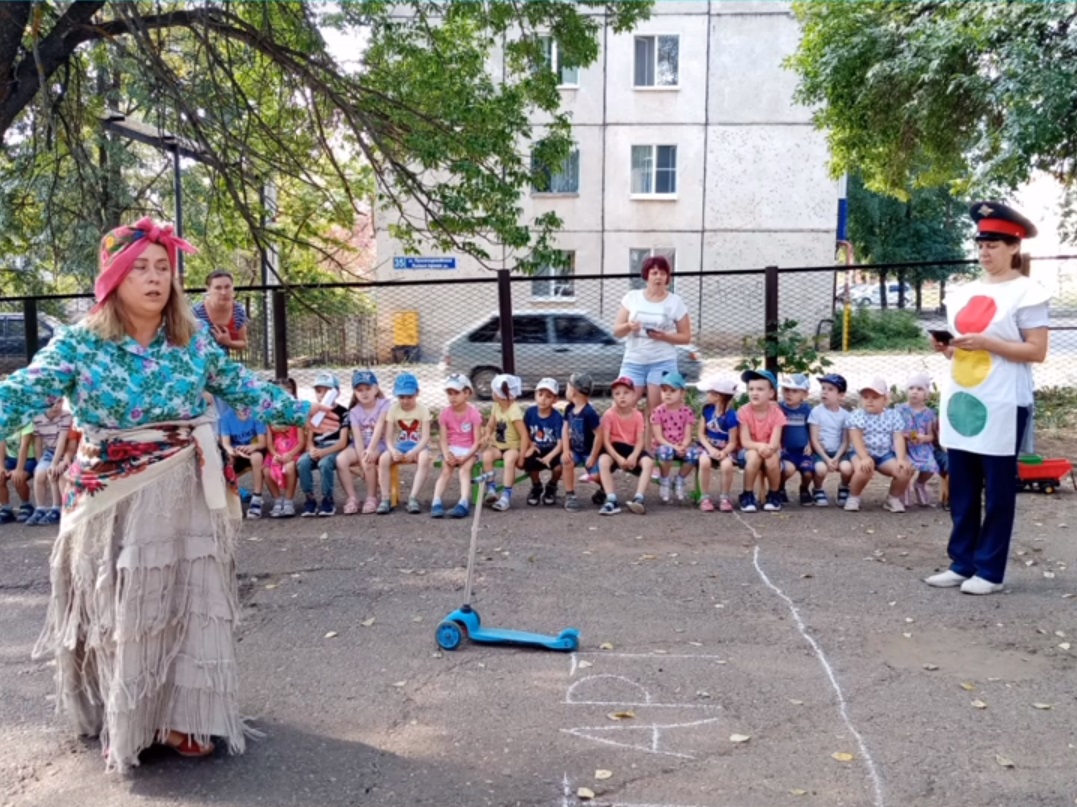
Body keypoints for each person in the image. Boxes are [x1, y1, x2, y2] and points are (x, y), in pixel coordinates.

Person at [0, 217, 336, 771]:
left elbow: (239, 384)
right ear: (114, 277)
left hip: (181, 486)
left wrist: (301, 411)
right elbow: (20, 392)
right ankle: (129, 716)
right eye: (141, 268)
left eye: (163, 268)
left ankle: (184, 717)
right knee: (124, 606)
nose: (155, 278)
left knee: (185, 602)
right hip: (110, 495)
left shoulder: (191, 339)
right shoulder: (80, 343)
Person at [925, 201, 1050, 595]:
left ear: (1014, 247)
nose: (984, 251)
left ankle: (990, 571)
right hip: (963, 398)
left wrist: (989, 343)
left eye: (993, 244)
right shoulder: (963, 293)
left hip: (1003, 402)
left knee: (997, 489)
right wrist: (948, 349)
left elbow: (1037, 351)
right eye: (980, 244)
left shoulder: (1028, 292)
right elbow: (966, 348)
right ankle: (962, 562)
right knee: (962, 485)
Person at [611, 256, 692, 422]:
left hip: (662, 361)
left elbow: (686, 337)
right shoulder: (632, 297)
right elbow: (617, 331)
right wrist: (629, 326)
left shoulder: (675, 302)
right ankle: (626, 438)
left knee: (656, 412)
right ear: (646, 275)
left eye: (663, 273)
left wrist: (664, 336)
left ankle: (652, 439)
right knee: (622, 407)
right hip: (633, 362)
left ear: (667, 277)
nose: (658, 277)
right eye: (654, 273)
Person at [845, 377, 914, 513]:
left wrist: (901, 458)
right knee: (864, 469)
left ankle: (892, 498)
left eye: (875, 397)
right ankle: (853, 497)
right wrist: (864, 457)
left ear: (885, 399)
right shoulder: (858, 415)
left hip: (884, 454)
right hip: (861, 452)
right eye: (865, 397)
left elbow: (898, 437)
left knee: (904, 470)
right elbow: (856, 438)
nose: (869, 400)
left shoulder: (893, 415)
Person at [374, 372, 433, 514]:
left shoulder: (422, 410)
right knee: (383, 459)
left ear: (417, 393)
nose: (405, 401)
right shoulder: (393, 410)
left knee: (424, 458)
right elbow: (388, 437)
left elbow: (425, 437)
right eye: (401, 397)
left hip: (418, 446)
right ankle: (385, 498)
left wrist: (415, 451)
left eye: (409, 397)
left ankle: (413, 497)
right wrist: (393, 450)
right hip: (400, 446)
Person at [596, 376, 654, 515]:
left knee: (648, 462)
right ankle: (611, 500)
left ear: (634, 395)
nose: (622, 396)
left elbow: (640, 440)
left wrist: (634, 455)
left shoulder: (638, 415)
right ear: (613, 397)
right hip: (615, 448)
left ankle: (639, 499)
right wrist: (617, 458)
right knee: (603, 460)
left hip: (632, 449)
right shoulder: (609, 415)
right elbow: (606, 441)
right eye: (617, 393)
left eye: (626, 393)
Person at [297, 371, 350, 518]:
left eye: (327, 390)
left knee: (325, 463)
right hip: (318, 448)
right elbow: (309, 441)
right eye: (319, 391)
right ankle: (310, 499)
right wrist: (312, 450)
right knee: (302, 462)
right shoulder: (314, 412)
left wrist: (324, 453)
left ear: (336, 393)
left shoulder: (343, 413)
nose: (322, 394)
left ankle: (328, 499)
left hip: (334, 448)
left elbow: (343, 443)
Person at [337, 370, 390, 515]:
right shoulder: (354, 411)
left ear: (376, 389)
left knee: (368, 459)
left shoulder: (384, 404)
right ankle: (352, 498)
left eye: (368, 388)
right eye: (359, 390)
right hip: (360, 445)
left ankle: (372, 497)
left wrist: (371, 450)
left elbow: (380, 426)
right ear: (355, 392)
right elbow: (358, 438)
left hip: (379, 444)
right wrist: (361, 459)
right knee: (341, 460)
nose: (364, 393)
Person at [432, 373, 483, 519]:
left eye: (456, 393)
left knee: (464, 471)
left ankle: (463, 503)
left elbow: (477, 442)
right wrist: (447, 454)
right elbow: (443, 440)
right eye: (449, 393)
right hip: (452, 449)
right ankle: (436, 502)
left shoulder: (473, 413)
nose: (452, 397)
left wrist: (465, 457)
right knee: (446, 471)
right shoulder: (445, 413)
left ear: (466, 393)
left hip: (469, 450)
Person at [737, 369, 786, 513]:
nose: (754, 393)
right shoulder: (743, 411)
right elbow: (745, 442)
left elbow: (775, 444)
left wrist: (767, 448)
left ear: (771, 393)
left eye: (760, 389)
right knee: (754, 456)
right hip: (748, 451)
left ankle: (774, 495)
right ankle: (747, 494)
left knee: (771, 458)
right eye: (751, 389)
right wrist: (759, 446)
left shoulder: (777, 413)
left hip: (771, 449)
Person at [481, 374, 529, 511]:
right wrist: (487, 434)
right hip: (498, 446)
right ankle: (491, 489)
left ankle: (506, 496)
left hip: (512, 447)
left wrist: (521, 456)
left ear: (498, 394)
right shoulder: (496, 406)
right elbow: (490, 425)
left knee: (509, 460)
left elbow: (524, 435)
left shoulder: (514, 411)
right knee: (487, 456)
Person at [650, 371, 700, 503]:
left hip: (680, 446)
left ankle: (680, 479)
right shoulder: (658, 411)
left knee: (694, 453)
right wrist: (673, 446)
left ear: (682, 393)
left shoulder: (687, 411)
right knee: (666, 452)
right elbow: (658, 437)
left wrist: (683, 446)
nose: (667, 394)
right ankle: (665, 480)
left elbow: (688, 436)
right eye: (664, 390)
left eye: (672, 391)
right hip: (663, 446)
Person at [696, 376, 740, 513]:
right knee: (704, 462)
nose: (707, 395)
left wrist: (724, 452)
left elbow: (733, 441)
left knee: (726, 466)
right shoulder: (707, 410)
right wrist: (710, 449)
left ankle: (724, 498)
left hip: (725, 449)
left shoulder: (731, 416)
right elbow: (701, 434)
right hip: (707, 446)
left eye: (709, 392)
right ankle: (704, 497)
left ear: (717, 396)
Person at [808, 373, 853, 507]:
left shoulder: (846, 415)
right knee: (820, 469)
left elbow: (845, 441)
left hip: (839, 453)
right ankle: (817, 489)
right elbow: (814, 439)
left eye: (830, 389)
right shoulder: (816, 412)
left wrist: (836, 458)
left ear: (841, 395)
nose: (825, 392)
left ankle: (844, 487)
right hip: (821, 452)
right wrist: (827, 459)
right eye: (823, 388)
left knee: (847, 468)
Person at [561, 372, 602, 513]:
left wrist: (593, 456)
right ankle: (570, 495)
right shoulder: (569, 408)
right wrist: (566, 450)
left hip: (590, 452)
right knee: (567, 462)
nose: (566, 390)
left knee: (597, 475)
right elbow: (565, 429)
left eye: (567, 387)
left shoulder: (589, 412)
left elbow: (599, 434)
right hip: (576, 451)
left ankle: (604, 490)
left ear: (574, 391)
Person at [25, 401, 71, 525]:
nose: (56, 405)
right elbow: (38, 443)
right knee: (39, 474)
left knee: (54, 473)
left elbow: (62, 441)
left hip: (64, 452)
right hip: (49, 452)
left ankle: (56, 508)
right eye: (51, 403)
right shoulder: (37, 418)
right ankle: (40, 509)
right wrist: (39, 462)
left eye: (59, 402)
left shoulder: (66, 416)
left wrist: (54, 464)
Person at [219, 401, 268, 519]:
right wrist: (234, 452)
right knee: (228, 460)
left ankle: (257, 498)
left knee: (257, 457)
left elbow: (262, 443)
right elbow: (226, 444)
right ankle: (232, 498)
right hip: (237, 452)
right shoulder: (226, 417)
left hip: (254, 450)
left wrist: (252, 447)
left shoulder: (256, 414)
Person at [897, 373, 940, 506]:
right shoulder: (900, 410)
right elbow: (895, 431)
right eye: (911, 388)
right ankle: (904, 486)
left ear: (926, 394)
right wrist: (905, 435)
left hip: (922, 447)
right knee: (907, 467)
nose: (914, 392)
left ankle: (920, 483)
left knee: (930, 466)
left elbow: (931, 436)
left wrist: (923, 438)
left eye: (919, 389)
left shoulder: (929, 413)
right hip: (904, 446)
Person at [263, 379, 304, 519]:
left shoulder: (297, 414)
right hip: (276, 451)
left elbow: (301, 442)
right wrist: (274, 454)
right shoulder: (269, 416)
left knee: (290, 467)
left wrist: (290, 454)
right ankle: (277, 500)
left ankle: (288, 500)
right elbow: (269, 442)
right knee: (266, 470)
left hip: (293, 450)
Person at [522, 377, 564, 507]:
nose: (543, 399)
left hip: (553, 450)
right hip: (536, 448)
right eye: (540, 394)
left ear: (555, 399)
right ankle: (536, 486)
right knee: (529, 462)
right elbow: (524, 432)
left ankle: (552, 486)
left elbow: (561, 443)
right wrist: (530, 444)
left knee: (559, 467)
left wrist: (550, 456)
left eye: (548, 396)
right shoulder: (530, 412)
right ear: (535, 395)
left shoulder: (557, 417)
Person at [778, 374, 815, 506]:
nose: (789, 394)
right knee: (786, 470)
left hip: (803, 451)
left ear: (804, 394)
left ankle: (804, 489)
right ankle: (780, 487)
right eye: (786, 390)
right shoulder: (779, 409)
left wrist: (810, 444)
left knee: (808, 473)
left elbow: (812, 429)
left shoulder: (807, 410)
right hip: (785, 451)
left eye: (794, 391)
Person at [193, 269, 248, 353]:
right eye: (218, 288)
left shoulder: (238, 311)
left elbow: (243, 343)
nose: (223, 292)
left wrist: (229, 342)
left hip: (224, 360)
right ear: (208, 289)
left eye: (227, 287)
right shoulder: (196, 313)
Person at [0, 424, 36, 524]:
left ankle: (26, 505)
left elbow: (25, 445)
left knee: (18, 478)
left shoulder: (26, 422)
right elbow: (1, 444)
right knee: (0, 476)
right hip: (11, 459)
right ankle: (5, 508)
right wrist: (1, 466)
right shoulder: (3, 422)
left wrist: (19, 469)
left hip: (29, 459)